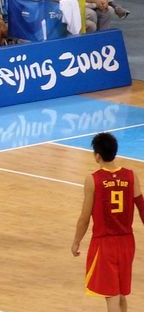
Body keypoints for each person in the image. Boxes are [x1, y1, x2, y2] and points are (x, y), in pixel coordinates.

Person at [72, 132, 144, 312]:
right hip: (127, 243)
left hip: (105, 243)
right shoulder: (131, 175)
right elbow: (143, 209)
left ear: (97, 156)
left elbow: (84, 217)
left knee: (111, 295)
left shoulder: (93, 180)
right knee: (120, 293)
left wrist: (76, 241)